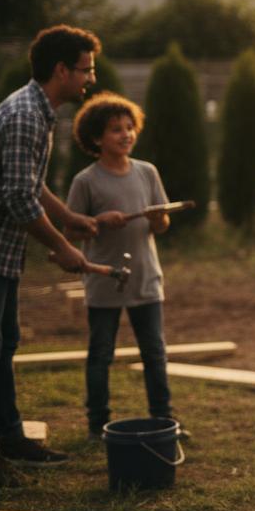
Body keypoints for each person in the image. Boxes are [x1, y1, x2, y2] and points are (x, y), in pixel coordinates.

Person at [0, 25, 102, 487]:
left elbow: (30, 184)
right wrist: (62, 246)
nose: (89, 79)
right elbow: (18, 199)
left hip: (0, 250)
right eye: (85, 70)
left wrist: (69, 217)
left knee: (4, 345)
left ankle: (10, 439)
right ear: (61, 70)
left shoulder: (39, 111)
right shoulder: (24, 115)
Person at [66, 93, 175, 439]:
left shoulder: (147, 172)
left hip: (145, 277)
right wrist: (98, 219)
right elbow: (69, 228)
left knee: (154, 354)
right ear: (97, 138)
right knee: (101, 354)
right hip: (104, 281)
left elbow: (161, 226)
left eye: (130, 128)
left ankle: (163, 419)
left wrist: (159, 219)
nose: (126, 134)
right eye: (116, 130)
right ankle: (97, 423)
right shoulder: (86, 180)